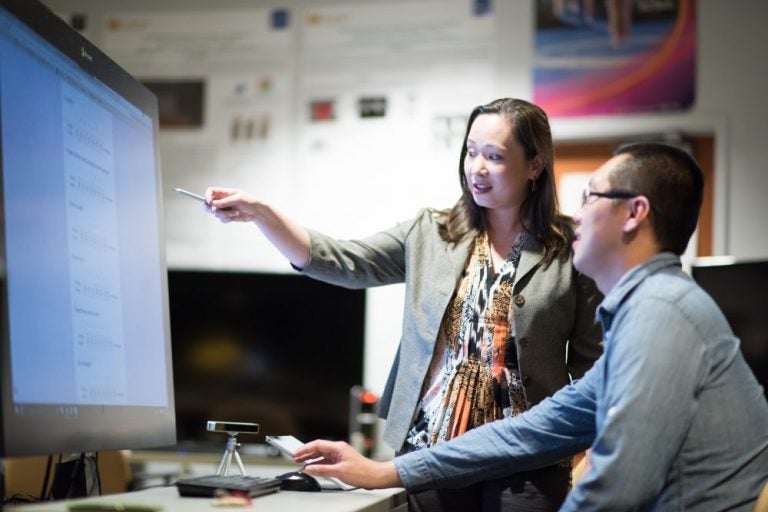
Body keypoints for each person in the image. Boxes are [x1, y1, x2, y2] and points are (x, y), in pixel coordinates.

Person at [294, 143, 768, 511]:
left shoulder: (664, 314)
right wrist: (386, 471)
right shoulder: (649, 312)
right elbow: (528, 432)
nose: (577, 215)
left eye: (591, 197)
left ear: (634, 213)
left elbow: (618, 484)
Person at [205, 98, 604, 511]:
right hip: (428, 452)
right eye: (471, 152)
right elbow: (344, 261)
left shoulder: (570, 247)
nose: (477, 168)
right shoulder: (432, 232)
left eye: (495, 157)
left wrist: (580, 447)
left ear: (535, 165)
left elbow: (595, 367)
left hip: (529, 461)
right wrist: (262, 214)